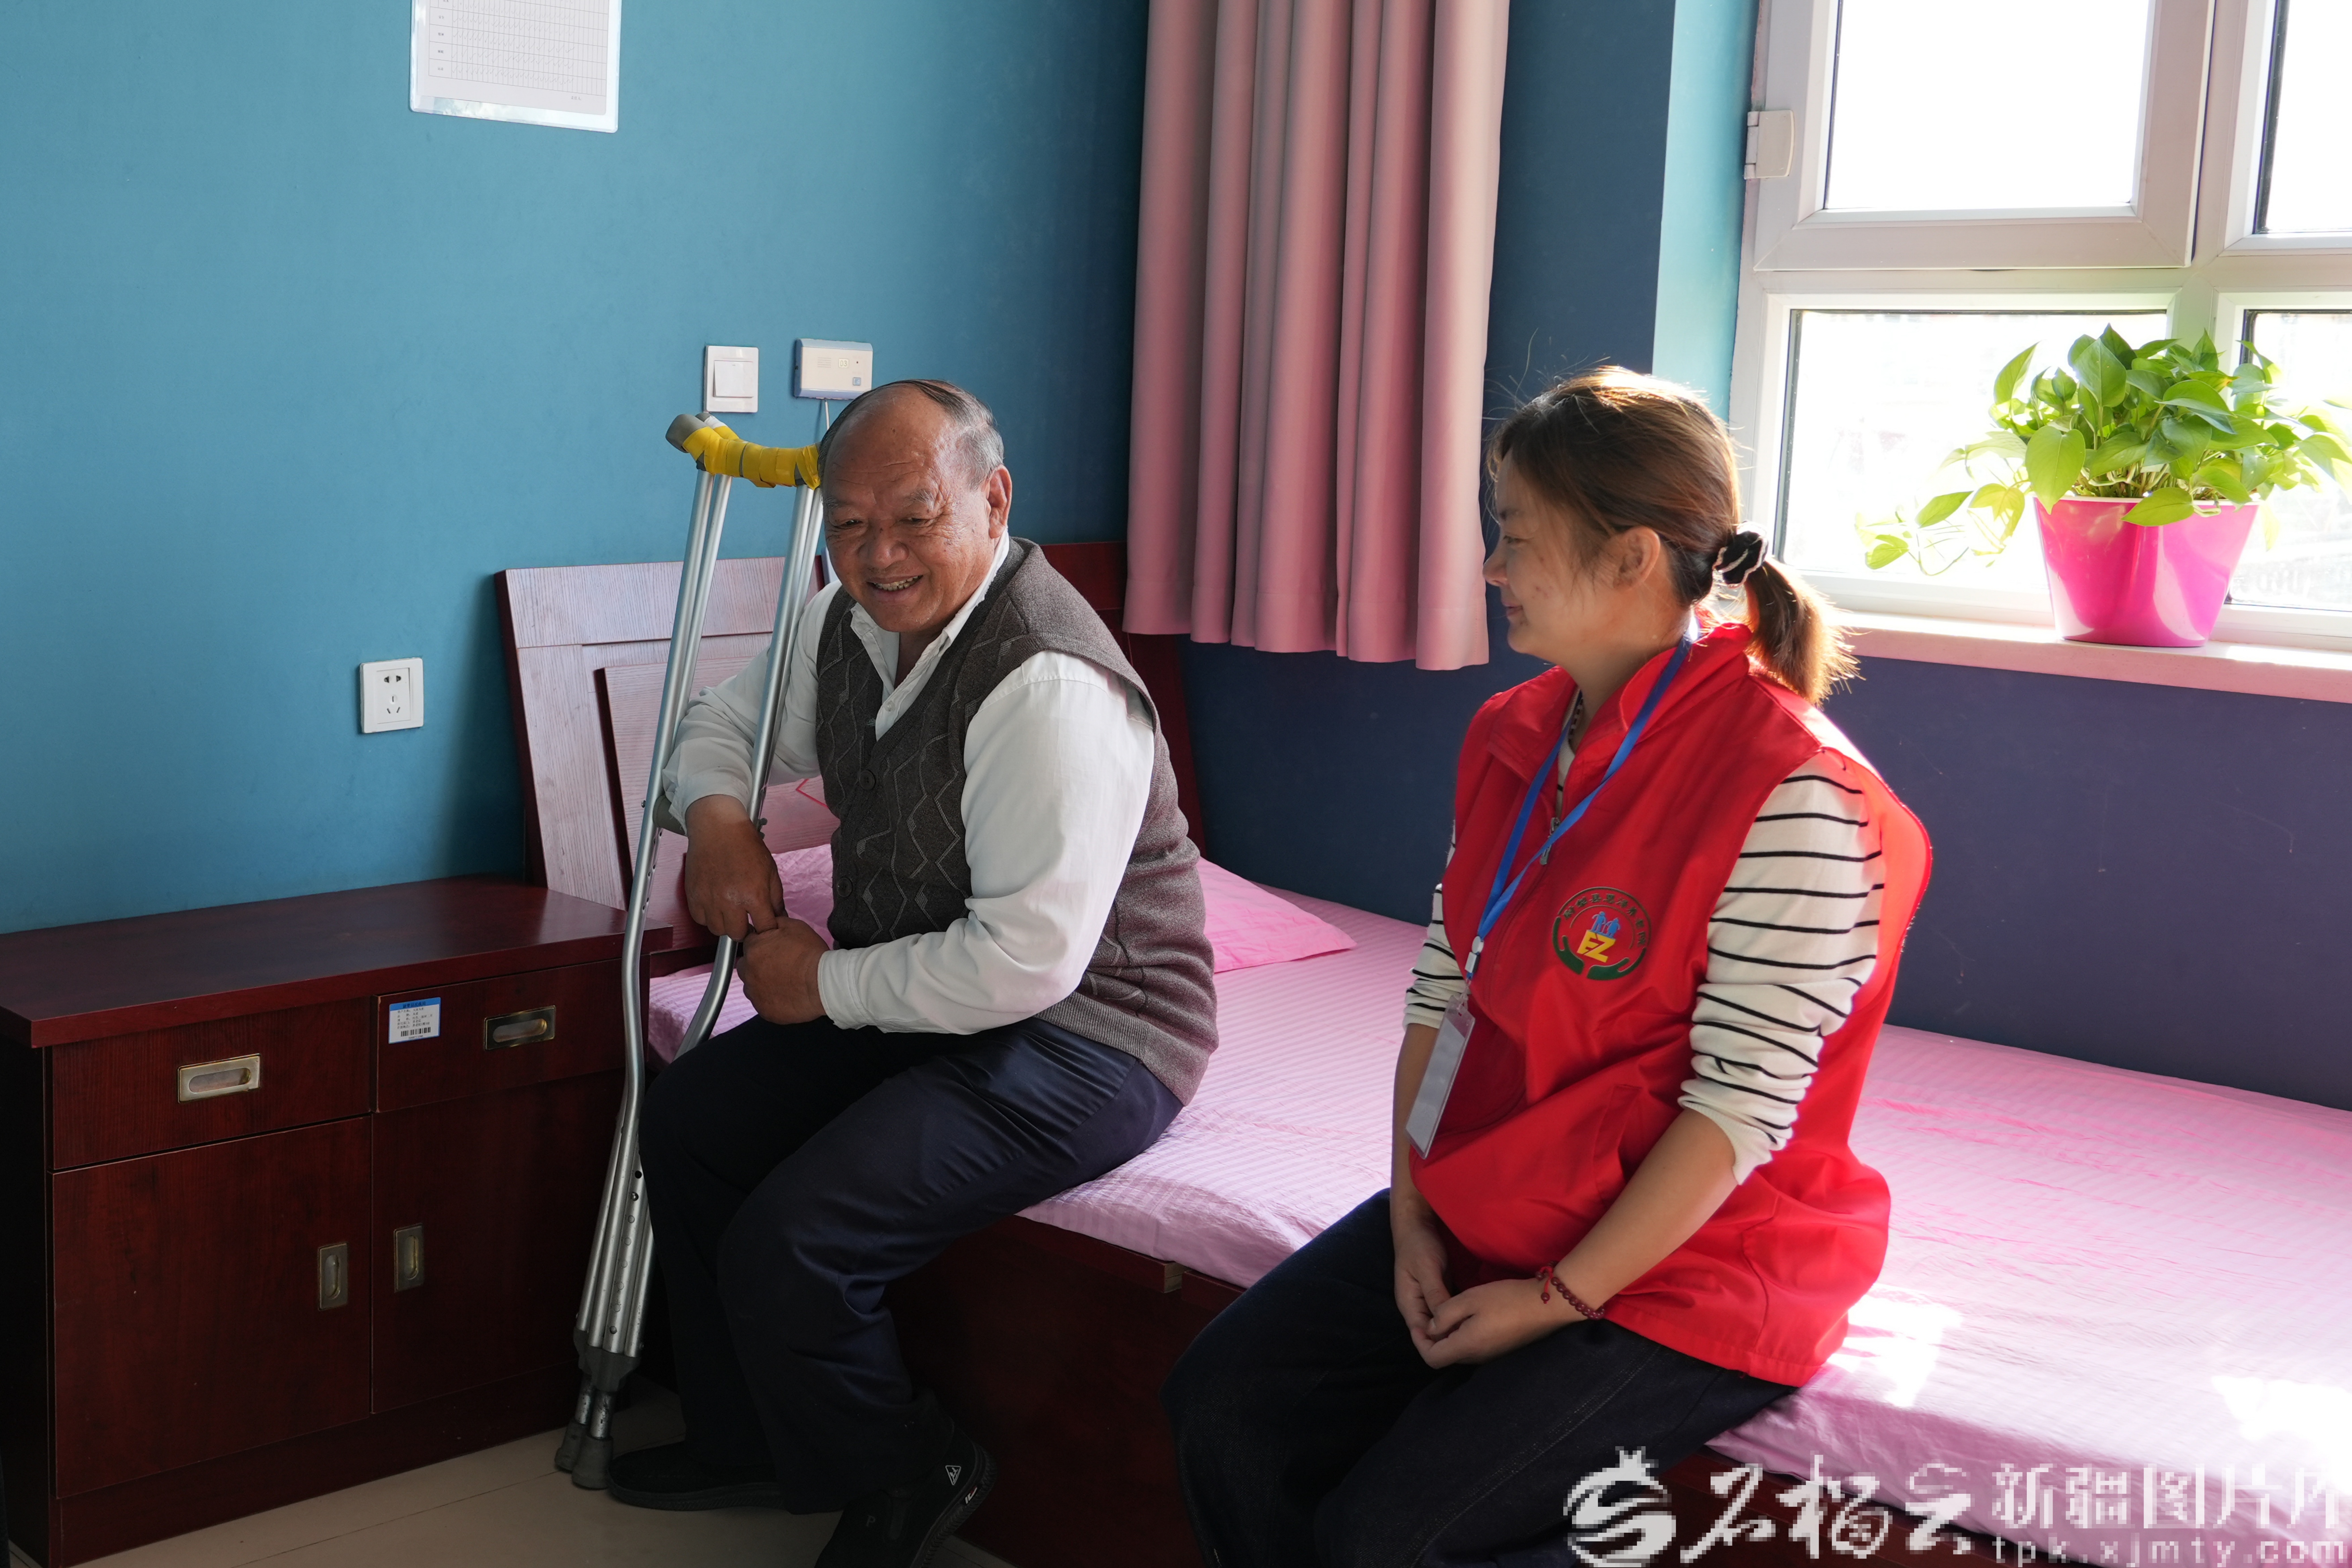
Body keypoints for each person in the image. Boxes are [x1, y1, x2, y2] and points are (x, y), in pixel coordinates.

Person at [1161, 369, 1931, 1566]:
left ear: (1631, 559)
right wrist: (1414, 1214)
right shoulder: (1514, 733)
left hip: (1700, 1254)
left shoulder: (1794, 791)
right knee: (1225, 1406)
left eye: (1515, 537)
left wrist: (1557, 1301)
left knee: (1393, 1538)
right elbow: (1443, 988)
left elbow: (1739, 1110)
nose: (1490, 567)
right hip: (1506, 1195)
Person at [618, 379, 1217, 1568]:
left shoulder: (1048, 681)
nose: (878, 555)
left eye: (913, 518)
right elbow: (718, 726)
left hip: (1095, 1029)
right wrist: (721, 822)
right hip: (930, 990)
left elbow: (1027, 962)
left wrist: (822, 989)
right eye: (849, 525)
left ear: (993, 502)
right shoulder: (848, 625)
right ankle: (748, 1436)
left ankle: (910, 1464)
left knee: (800, 1236)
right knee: (692, 1120)